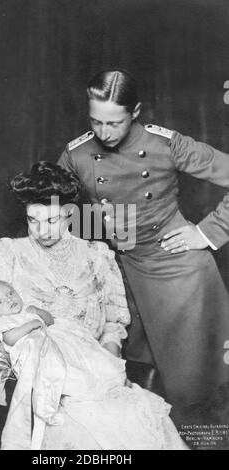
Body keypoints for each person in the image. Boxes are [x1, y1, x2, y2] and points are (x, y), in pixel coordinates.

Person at [0, 162, 186, 449]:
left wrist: (108, 368)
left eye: (52, 220)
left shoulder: (96, 257)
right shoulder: (7, 253)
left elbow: (114, 324)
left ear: (70, 213)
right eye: (33, 220)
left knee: (128, 416)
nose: (41, 231)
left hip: (92, 370)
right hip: (39, 374)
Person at [58, 69, 229, 424]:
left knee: (199, 394)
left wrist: (208, 231)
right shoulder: (76, 153)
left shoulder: (167, 144)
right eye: (96, 121)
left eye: (114, 123)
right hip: (120, 267)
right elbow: (56, 215)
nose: (104, 133)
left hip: (177, 266)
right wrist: (102, 225)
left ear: (135, 111)